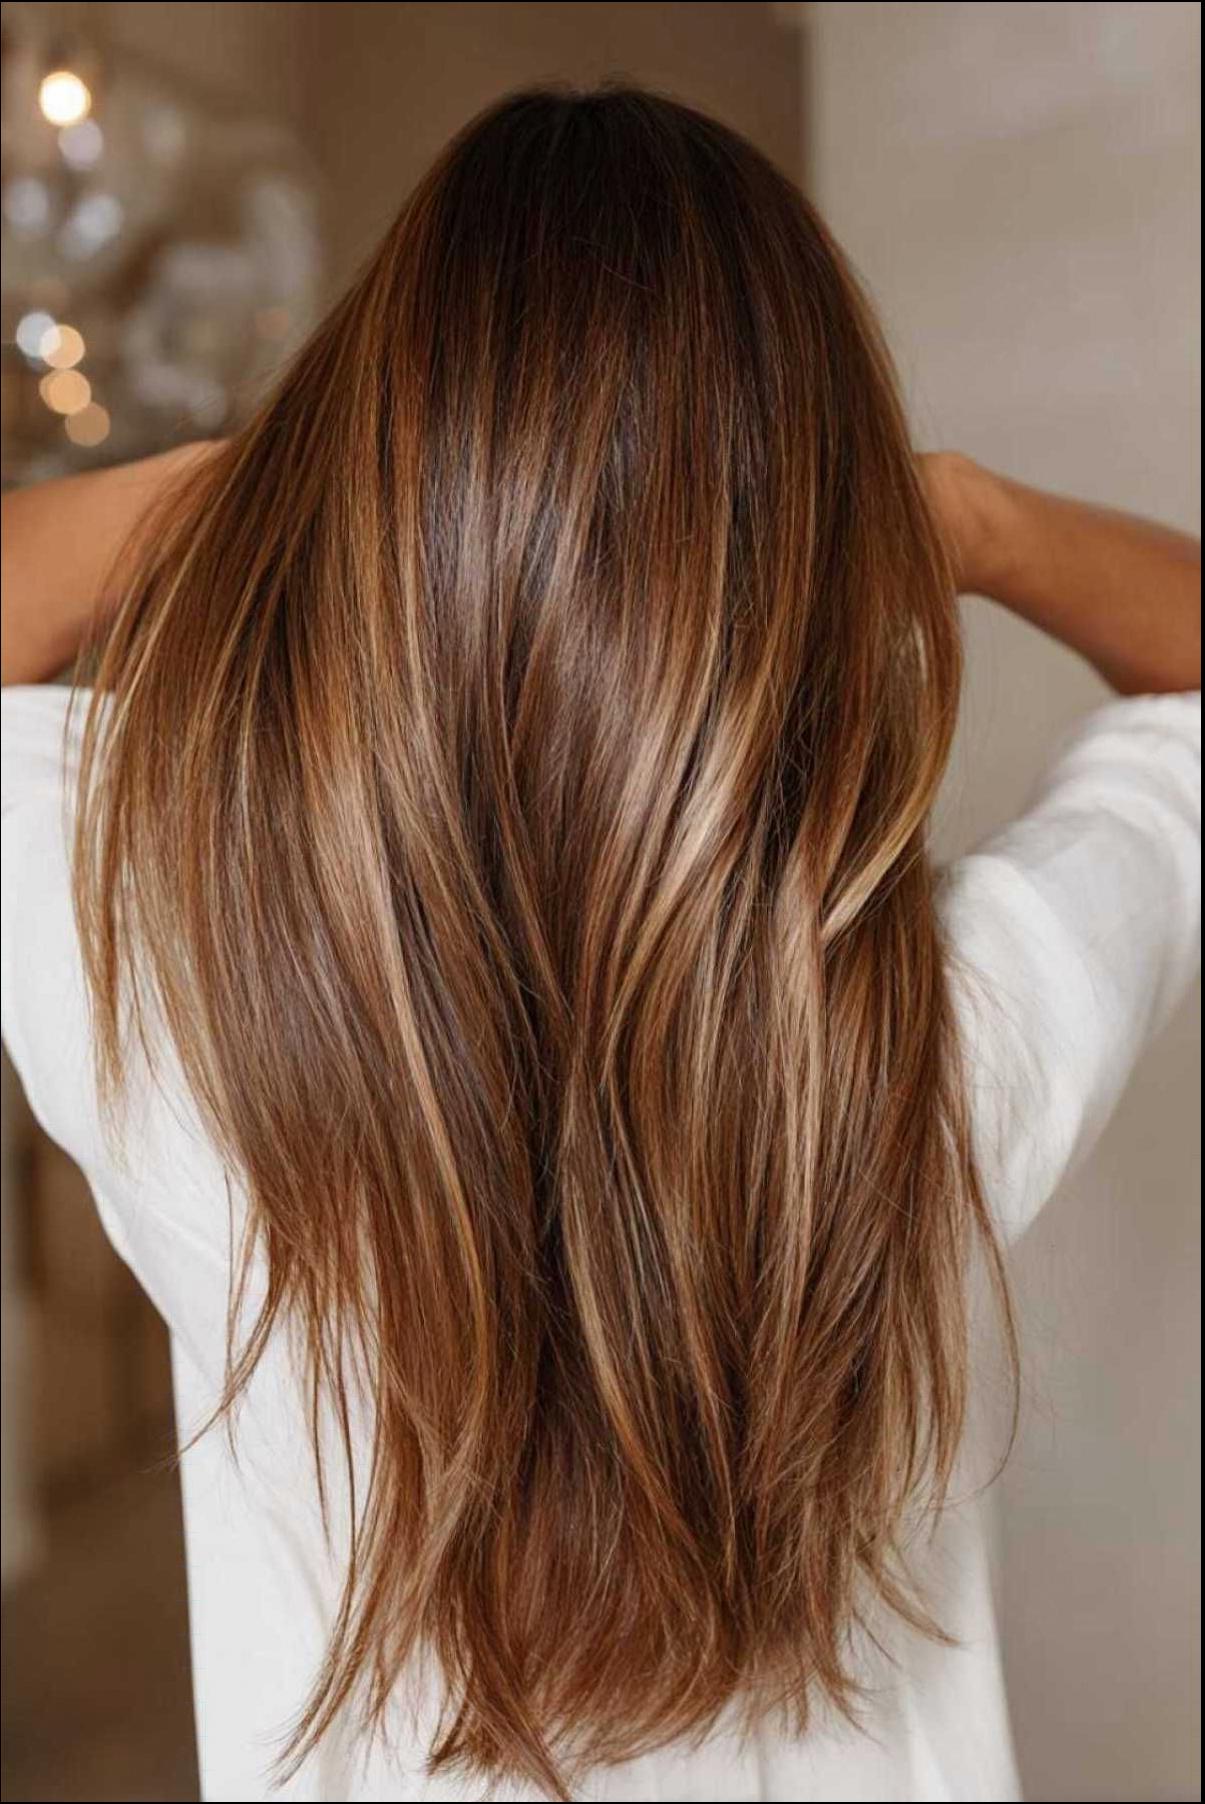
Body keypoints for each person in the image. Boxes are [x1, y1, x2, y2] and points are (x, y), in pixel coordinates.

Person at [1, 86, 1199, 1804]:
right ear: (798, 570)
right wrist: (957, 514)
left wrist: (265, 484)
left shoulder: (182, 1015)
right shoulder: (937, 1048)